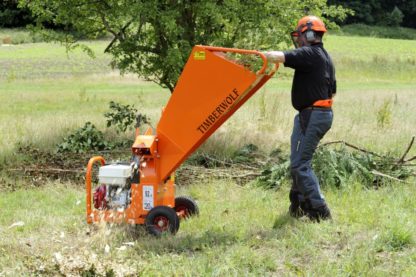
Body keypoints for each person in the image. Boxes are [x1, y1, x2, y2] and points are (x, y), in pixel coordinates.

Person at [264, 15, 336, 221]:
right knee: (296, 162)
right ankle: (299, 205)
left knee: (300, 165)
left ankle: (320, 210)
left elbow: (278, 56)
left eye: (301, 35)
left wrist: (255, 56)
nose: (299, 40)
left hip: (314, 114)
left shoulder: (310, 53)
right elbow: (333, 90)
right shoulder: (325, 57)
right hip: (310, 114)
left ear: (310, 34)